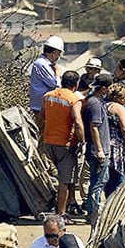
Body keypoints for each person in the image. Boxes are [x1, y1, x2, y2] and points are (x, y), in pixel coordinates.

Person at [42, 70, 85, 216]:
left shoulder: (48, 96)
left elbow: (41, 117)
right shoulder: (74, 99)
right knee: (64, 181)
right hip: (65, 144)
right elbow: (78, 122)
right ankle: (60, 214)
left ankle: (70, 204)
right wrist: (83, 141)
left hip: (49, 143)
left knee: (64, 177)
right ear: (76, 84)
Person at [83, 73, 113, 226]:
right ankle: (94, 212)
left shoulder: (94, 101)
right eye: (109, 87)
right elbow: (94, 127)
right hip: (98, 150)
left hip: (96, 148)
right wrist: (100, 150)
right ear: (103, 89)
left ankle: (92, 211)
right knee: (99, 182)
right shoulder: (94, 104)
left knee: (97, 180)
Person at [103, 83, 125, 196]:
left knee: (109, 178)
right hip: (118, 146)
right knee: (119, 177)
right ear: (117, 97)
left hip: (107, 144)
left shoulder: (105, 105)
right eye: (124, 97)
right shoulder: (118, 108)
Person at [30, 35, 64, 124]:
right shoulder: (41, 64)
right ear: (54, 52)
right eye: (59, 54)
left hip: (46, 106)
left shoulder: (46, 64)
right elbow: (54, 84)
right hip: (41, 107)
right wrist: (57, 74)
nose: (58, 57)